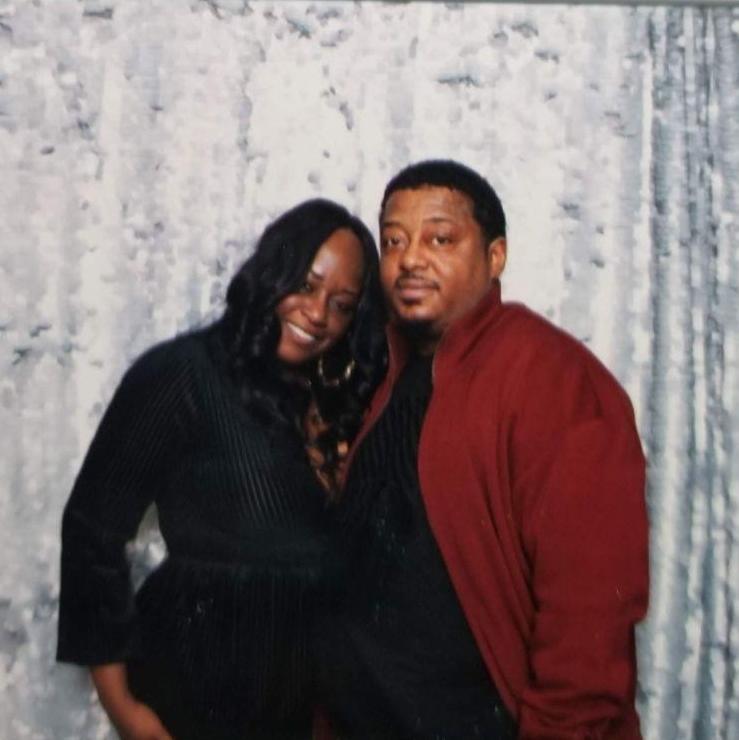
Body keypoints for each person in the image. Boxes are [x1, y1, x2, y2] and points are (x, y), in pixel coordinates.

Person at [316, 161, 649, 739]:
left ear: (496, 257)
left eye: (440, 239)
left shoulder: (555, 381)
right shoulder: (383, 368)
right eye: (394, 241)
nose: (411, 259)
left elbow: (588, 627)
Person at [56, 199, 387, 740]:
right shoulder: (183, 373)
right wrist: (126, 710)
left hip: (302, 708)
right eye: (304, 285)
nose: (317, 313)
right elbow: (91, 530)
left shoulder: (337, 397)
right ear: (272, 272)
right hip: (193, 691)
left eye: (342, 304)